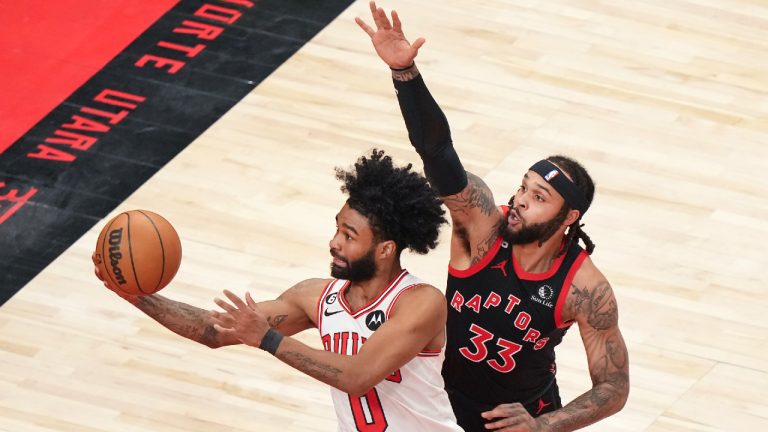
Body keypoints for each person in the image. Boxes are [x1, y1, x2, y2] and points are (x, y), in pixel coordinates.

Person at [356, 3, 630, 431]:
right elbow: (437, 152)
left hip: (522, 418)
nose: (519, 200)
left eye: (538, 197)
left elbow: (613, 387)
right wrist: (405, 73)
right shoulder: (483, 224)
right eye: (523, 187)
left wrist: (544, 425)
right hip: (441, 403)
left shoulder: (585, 288)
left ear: (569, 216)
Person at [93, 149, 463, 432]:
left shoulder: (420, 302)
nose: (334, 242)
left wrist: (268, 339)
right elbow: (213, 331)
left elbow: (357, 377)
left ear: (385, 250)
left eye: (349, 236)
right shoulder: (315, 297)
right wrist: (136, 295)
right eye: (337, 228)